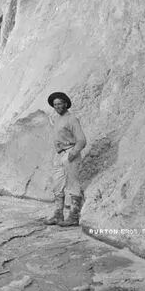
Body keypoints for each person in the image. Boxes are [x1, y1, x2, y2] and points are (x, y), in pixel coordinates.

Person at [42, 91, 87, 227]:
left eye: (60, 103)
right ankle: (58, 214)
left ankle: (74, 216)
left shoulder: (71, 119)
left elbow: (82, 140)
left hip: (69, 153)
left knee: (73, 184)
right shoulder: (57, 119)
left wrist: (73, 153)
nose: (58, 106)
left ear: (66, 104)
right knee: (57, 184)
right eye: (55, 104)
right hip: (59, 155)